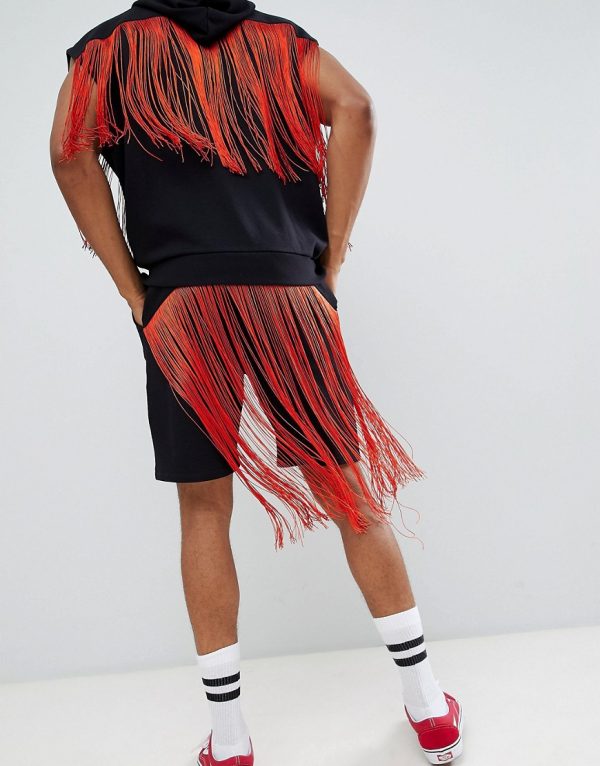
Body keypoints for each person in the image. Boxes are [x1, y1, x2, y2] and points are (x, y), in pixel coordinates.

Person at [49, 2, 464, 763]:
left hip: (182, 304)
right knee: (348, 490)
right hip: (288, 291)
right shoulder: (280, 42)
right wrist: (330, 257)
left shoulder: (109, 50)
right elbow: (356, 108)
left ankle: (230, 738)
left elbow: (68, 155)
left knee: (204, 510)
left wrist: (134, 291)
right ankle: (430, 707)